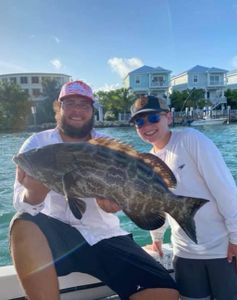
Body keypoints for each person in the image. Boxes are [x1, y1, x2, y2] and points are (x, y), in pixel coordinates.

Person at [9, 81, 179, 300]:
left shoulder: (106, 146)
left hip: (105, 236)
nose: (77, 111)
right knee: (22, 222)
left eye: (84, 105)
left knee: (165, 293)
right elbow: (19, 203)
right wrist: (34, 194)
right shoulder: (37, 144)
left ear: (92, 111)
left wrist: (118, 203)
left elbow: (126, 186)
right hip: (57, 241)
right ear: (58, 108)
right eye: (70, 103)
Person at [129, 95, 237, 300]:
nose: (147, 126)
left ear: (168, 117)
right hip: (184, 254)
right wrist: (157, 239)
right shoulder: (146, 162)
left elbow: (225, 189)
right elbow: (156, 203)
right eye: (139, 122)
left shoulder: (191, 139)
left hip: (223, 251)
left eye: (153, 118)